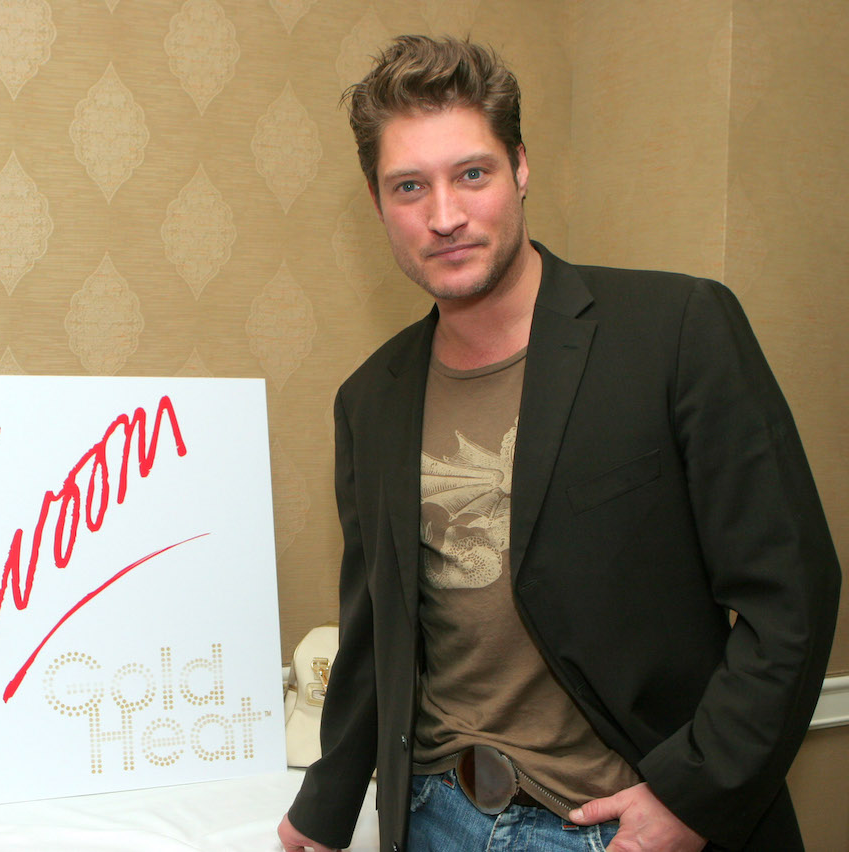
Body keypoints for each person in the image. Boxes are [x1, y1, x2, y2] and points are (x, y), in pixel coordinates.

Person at [277, 34, 840, 852]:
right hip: (434, 815)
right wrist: (324, 809)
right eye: (410, 187)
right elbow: (376, 634)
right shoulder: (371, 399)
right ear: (377, 203)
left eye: (472, 173)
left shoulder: (676, 331)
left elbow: (791, 595)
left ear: (521, 169)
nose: (444, 215)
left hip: (616, 824)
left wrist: (691, 800)